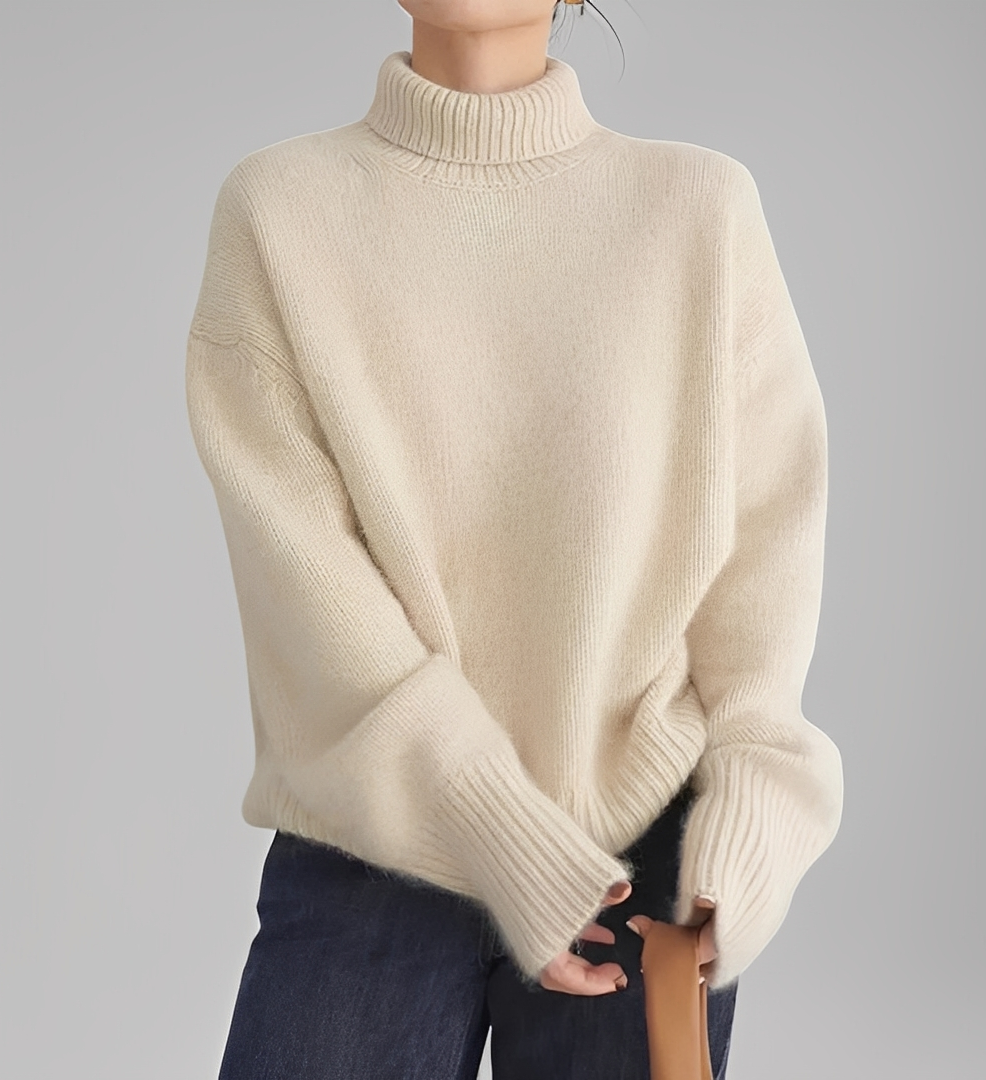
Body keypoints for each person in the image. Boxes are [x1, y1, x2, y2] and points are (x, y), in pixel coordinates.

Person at [184, 1, 845, 1076]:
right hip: (373, 842)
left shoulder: (696, 210)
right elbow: (304, 577)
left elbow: (765, 545)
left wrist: (751, 820)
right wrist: (492, 828)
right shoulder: (279, 210)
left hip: (643, 865)